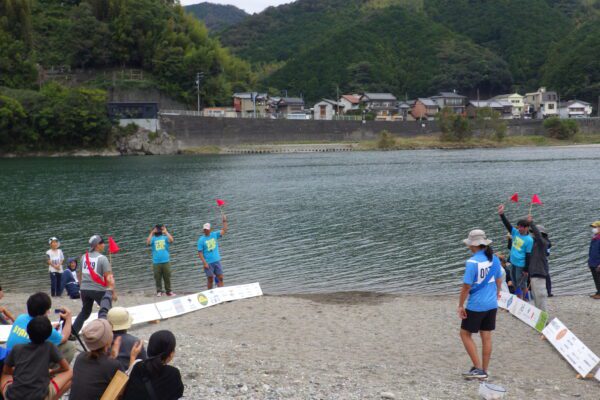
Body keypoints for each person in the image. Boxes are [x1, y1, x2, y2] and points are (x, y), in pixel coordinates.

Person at [458, 229, 503, 380]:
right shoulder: (494, 259)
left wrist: (460, 305)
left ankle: (478, 368)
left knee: (465, 334)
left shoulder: (472, 262)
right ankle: (484, 369)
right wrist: (497, 292)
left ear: (473, 245)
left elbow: (466, 287)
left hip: (476, 305)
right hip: (491, 304)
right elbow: (498, 278)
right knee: (486, 336)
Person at [1, 316, 72, 400]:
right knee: (71, 372)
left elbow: (6, 370)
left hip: (13, 396)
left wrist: (19, 374)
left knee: (4, 374)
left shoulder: (17, 348)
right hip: (39, 396)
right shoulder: (50, 346)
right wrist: (52, 372)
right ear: (49, 335)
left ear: (27, 331)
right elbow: (65, 367)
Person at [70, 318, 142, 400]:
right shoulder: (113, 365)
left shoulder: (80, 357)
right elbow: (125, 387)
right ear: (108, 340)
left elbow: (100, 369)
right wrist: (133, 357)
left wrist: (111, 357)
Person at [6, 292, 76, 364]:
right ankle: (53, 372)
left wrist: (50, 327)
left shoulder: (20, 317)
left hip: (9, 359)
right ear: (46, 311)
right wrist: (68, 319)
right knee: (69, 346)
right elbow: (64, 338)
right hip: (25, 365)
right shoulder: (50, 332)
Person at [72, 235, 117, 335]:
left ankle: (73, 332)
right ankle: (103, 332)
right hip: (98, 290)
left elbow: (80, 274)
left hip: (84, 289)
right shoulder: (103, 259)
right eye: (102, 243)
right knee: (106, 311)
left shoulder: (84, 257)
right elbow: (109, 278)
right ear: (97, 245)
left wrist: (81, 288)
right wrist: (113, 292)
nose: (104, 245)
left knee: (85, 312)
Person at [122, 330, 184, 400]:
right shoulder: (173, 373)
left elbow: (128, 380)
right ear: (171, 353)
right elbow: (178, 394)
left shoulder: (138, 366)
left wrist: (133, 356)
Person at [498, 204, 533, 299]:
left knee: (522, 283)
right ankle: (519, 299)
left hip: (521, 265)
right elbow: (507, 225)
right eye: (519, 226)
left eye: (522, 227)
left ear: (527, 228)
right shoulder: (515, 233)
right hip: (513, 263)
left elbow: (528, 255)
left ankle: (525, 299)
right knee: (515, 283)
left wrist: (526, 269)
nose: (520, 228)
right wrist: (502, 214)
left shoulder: (529, 240)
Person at [197, 213, 228, 289]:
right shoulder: (201, 240)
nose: (206, 230)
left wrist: (224, 221)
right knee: (210, 279)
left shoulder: (214, 235)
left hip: (217, 260)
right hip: (208, 262)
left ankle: (222, 292)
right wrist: (204, 263)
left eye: (207, 229)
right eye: (204, 229)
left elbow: (224, 230)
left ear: (210, 229)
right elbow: (200, 253)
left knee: (220, 277)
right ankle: (210, 293)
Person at [527, 216, 550, 311]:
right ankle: (540, 317)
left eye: (533, 232)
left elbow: (538, 236)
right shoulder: (534, 244)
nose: (532, 234)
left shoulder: (543, 243)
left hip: (539, 274)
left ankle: (544, 319)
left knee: (541, 297)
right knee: (536, 297)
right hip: (533, 273)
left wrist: (531, 223)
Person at [146, 224, 175, 297]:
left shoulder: (165, 237)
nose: (158, 231)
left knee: (167, 277)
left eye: (159, 229)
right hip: (156, 262)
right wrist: (152, 233)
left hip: (166, 261)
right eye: (157, 229)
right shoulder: (153, 238)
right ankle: (159, 291)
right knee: (157, 277)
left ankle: (169, 291)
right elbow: (148, 243)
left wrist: (166, 232)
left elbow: (171, 240)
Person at [588, 221, 600, 299]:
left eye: (595, 227)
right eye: (593, 227)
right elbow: (591, 251)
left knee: (599, 279)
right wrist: (589, 262)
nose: (594, 229)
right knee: (595, 278)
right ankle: (598, 291)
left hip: (598, 263)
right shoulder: (594, 238)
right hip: (592, 262)